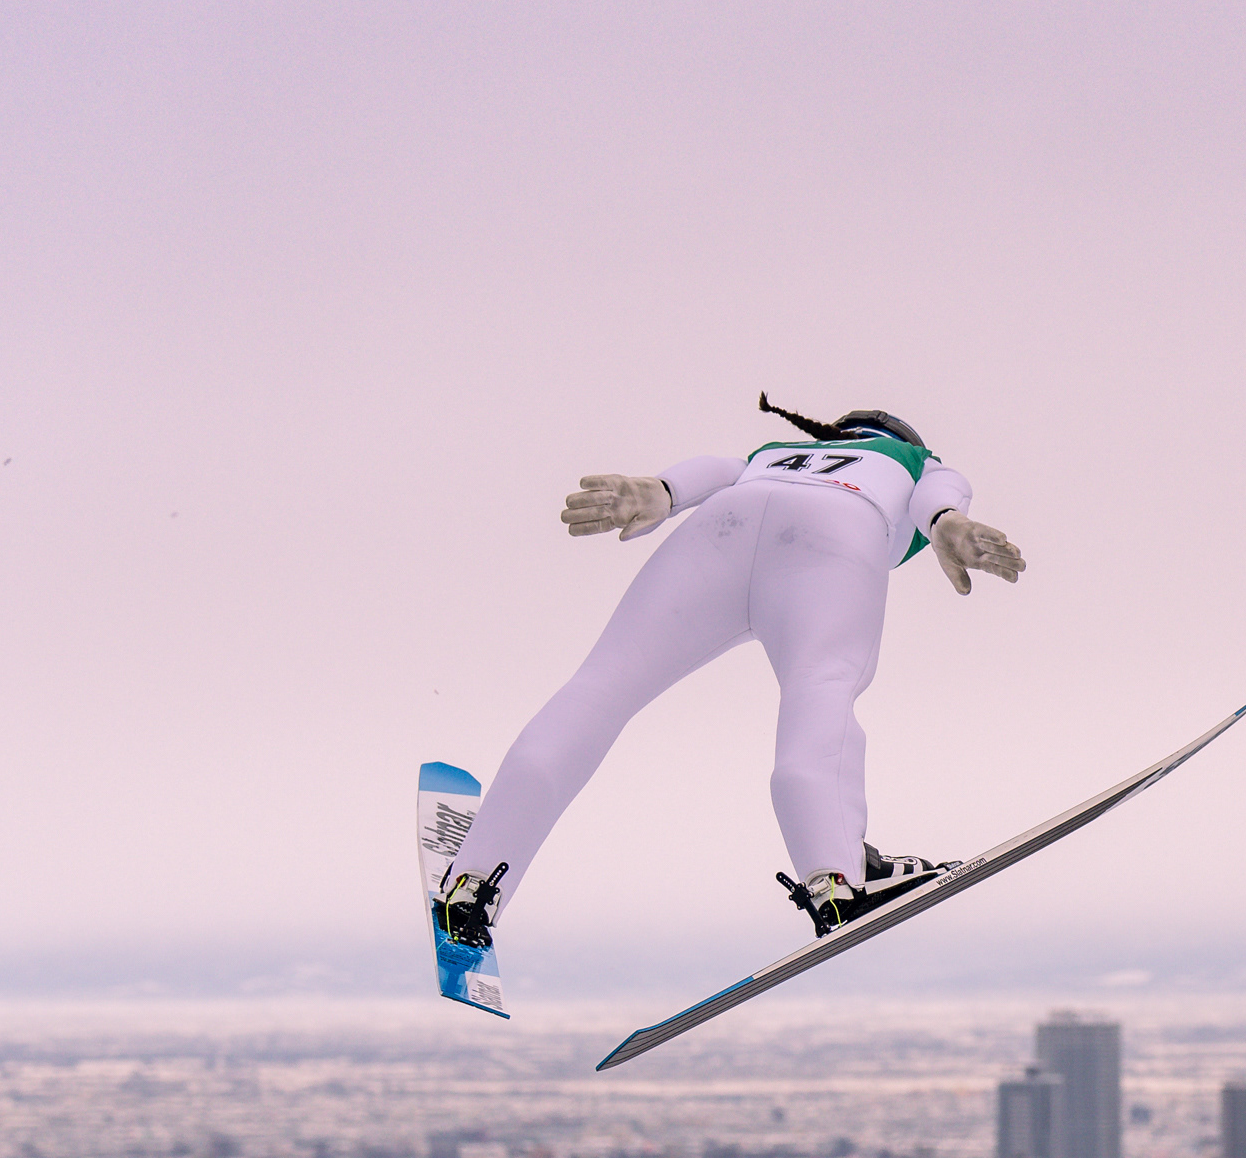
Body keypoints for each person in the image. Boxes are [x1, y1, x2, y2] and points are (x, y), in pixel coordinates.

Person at [431, 395, 1025, 950]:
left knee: (602, 686)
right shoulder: (916, 462)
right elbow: (937, 501)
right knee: (820, 688)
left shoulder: (768, 457)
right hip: (836, 534)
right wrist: (950, 525)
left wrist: (655, 491)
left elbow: (705, 473)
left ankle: (473, 883)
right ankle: (834, 880)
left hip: (720, 527)